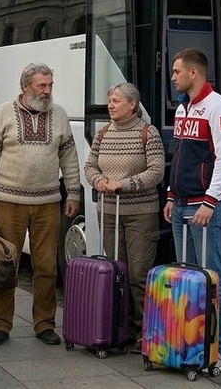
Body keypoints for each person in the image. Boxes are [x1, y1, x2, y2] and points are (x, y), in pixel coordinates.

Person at [0, 62, 81, 347]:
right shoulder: (2, 113)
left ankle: (45, 324)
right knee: (4, 266)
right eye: (41, 86)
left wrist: (73, 193)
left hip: (48, 203)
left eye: (50, 85)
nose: (47, 91)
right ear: (25, 86)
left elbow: (69, 158)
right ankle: (0, 325)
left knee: (47, 267)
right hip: (8, 203)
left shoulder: (59, 115)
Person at [164, 48, 221, 373]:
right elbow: (179, 155)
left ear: (194, 73)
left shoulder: (219, 108)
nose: (173, 77)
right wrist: (170, 194)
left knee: (212, 278)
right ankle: (190, 346)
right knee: (187, 277)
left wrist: (210, 201)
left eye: (177, 71)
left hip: (203, 207)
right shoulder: (183, 108)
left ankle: (218, 351)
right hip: (180, 203)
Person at [83, 82, 165, 339]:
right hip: (109, 212)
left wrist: (124, 184)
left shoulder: (148, 133)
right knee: (117, 272)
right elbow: (90, 166)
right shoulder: (103, 133)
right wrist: (99, 181)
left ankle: (145, 331)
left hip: (141, 214)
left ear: (132, 104)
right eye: (110, 100)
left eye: (116, 101)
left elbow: (156, 171)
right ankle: (121, 328)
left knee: (139, 275)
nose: (110, 105)